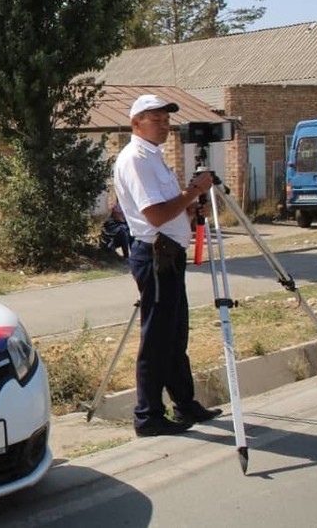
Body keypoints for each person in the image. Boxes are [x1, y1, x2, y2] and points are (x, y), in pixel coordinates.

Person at [112, 94, 222, 438]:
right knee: (157, 338)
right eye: (156, 119)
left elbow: (168, 212)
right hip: (155, 255)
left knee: (175, 334)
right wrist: (193, 191)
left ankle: (184, 403)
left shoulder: (154, 157)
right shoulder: (136, 159)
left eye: (166, 119)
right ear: (136, 123)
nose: (164, 125)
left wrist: (189, 210)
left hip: (170, 253)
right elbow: (155, 215)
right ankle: (148, 415)